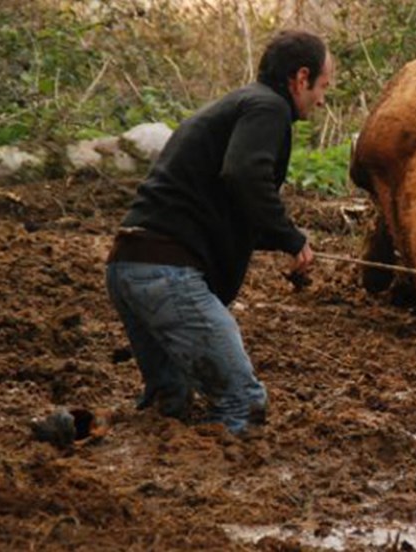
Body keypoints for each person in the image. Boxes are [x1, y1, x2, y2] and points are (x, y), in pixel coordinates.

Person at [105, 29, 333, 434]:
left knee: (169, 405)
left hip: (129, 266)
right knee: (243, 403)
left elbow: (225, 204)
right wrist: (291, 237)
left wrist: (286, 240)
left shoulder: (235, 105)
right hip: (167, 274)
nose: (322, 99)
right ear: (301, 78)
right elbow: (244, 174)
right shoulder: (268, 108)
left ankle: (118, 456)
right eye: (322, 86)